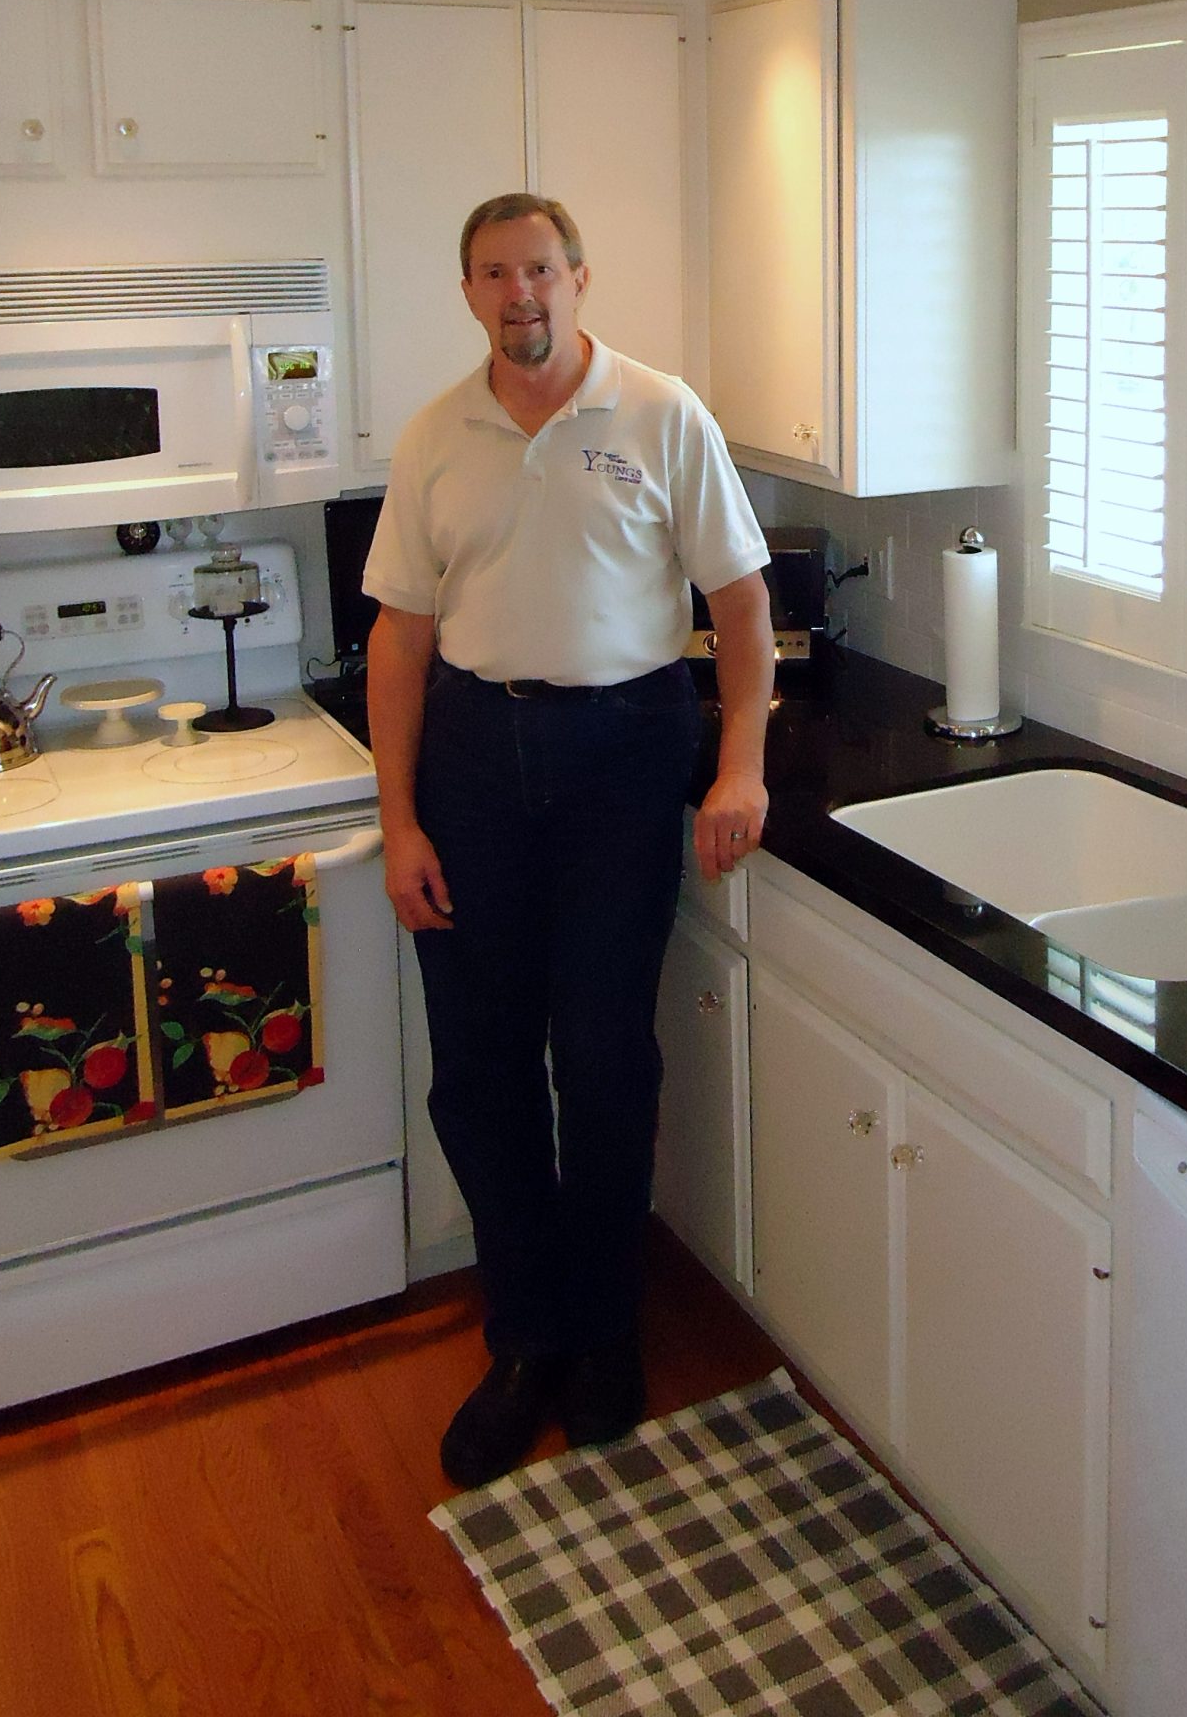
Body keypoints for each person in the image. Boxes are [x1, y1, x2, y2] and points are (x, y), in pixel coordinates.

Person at [362, 190, 774, 1488]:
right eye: (494, 273)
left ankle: (603, 1334)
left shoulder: (662, 414)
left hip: (623, 758)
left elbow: (742, 604)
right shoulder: (438, 436)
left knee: (602, 1061)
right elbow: (399, 640)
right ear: (471, 291)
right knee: (478, 1072)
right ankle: (525, 1338)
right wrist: (398, 820)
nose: (519, 293)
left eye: (539, 268)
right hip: (474, 760)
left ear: (579, 277)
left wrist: (742, 766)